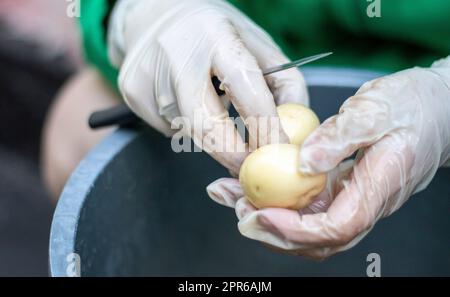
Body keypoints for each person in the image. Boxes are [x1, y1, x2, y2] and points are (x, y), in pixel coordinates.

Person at [42, 0, 450, 258]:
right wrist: (144, 12)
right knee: (79, 117)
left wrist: (442, 96)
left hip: (416, 84)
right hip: (238, 50)